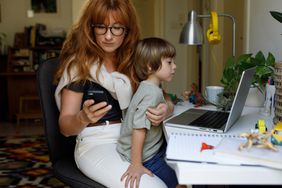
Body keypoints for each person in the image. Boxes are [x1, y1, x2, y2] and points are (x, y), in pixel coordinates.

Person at [53, 0, 173, 187]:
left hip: (137, 137)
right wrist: (83, 117)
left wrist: (165, 110)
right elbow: (65, 127)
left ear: (127, 30)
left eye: (116, 28)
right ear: (90, 28)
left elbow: (165, 98)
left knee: (190, 173)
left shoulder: (136, 61)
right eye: (101, 27)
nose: (108, 36)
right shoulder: (78, 66)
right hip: (97, 143)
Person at [117, 37, 181, 188]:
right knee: (179, 182)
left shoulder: (148, 87)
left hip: (151, 149)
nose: (174, 66)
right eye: (169, 62)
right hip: (146, 156)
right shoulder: (151, 93)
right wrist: (136, 164)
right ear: (150, 66)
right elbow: (139, 128)